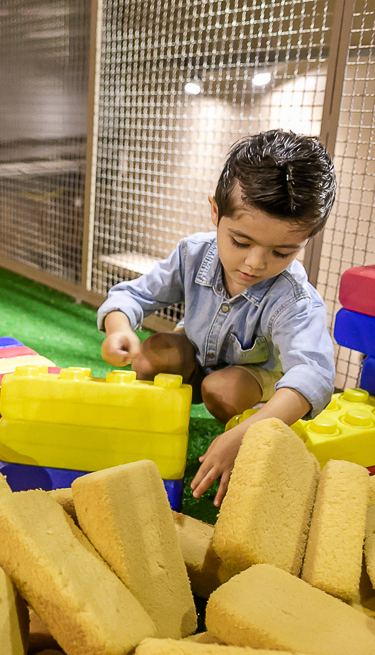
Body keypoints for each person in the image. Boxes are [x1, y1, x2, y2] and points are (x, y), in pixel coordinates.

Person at [98, 129, 337, 507]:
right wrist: (119, 329)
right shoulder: (193, 255)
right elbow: (132, 294)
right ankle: (142, 426)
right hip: (195, 356)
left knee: (222, 390)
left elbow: (315, 374)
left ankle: (239, 429)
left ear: (304, 242)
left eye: (282, 251)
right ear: (215, 211)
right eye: (240, 242)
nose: (255, 263)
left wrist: (246, 434)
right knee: (153, 351)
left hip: (249, 379)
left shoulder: (293, 298)